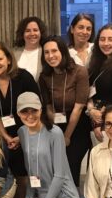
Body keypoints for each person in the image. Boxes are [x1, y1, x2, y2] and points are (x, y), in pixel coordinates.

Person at [3, 92, 80, 198]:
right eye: (25, 112)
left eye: (34, 111)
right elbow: (32, 171)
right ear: (18, 113)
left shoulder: (55, 133)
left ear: (41, 110)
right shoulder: (22, 132)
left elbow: (59, 176)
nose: (30, 116)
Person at [0, 42, 40, 198]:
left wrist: (21, 136)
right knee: (13, 170)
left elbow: (37, 108)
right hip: (5, 134)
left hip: (30, 130)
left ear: (8, 60)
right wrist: (6, 136)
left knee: (26, 171)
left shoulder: (23, 77)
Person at [38, 36, 91, 187]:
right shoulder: (45, 76)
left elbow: (79, 107)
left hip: (77, 126)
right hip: (55, 123)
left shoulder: (79, 72)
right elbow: (47, 106)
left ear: (63, 51)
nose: (50, 55)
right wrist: (54, 132)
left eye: (54, 51)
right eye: (46, 52)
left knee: (70, 163)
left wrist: (66, 136)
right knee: (54, 165)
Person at [13, 17, 47, 81]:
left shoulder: (46, 52)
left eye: (35, 30)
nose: (32, 34)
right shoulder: (13, 52)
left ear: (41, 33)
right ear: (22, 34)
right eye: (27, 31)